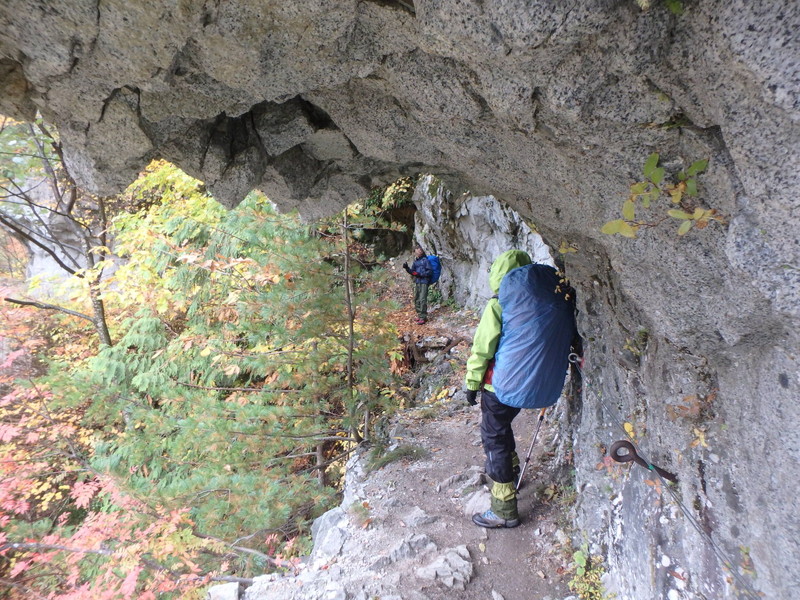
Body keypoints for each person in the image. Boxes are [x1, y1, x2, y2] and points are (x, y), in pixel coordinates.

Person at [464, 249, 577, 528]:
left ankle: (504, 508)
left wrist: (471, 382)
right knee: (503, 428)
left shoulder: (500, 303)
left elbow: (482, 348)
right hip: (539, 382)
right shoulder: (553, 298)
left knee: (494, 437)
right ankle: (512, 470)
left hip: (499, 385)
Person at [403, 246, 432, 324]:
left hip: (424, 282)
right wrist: (407, 268)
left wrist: (420, 274)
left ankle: (423, 317)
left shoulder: (425, 260)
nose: (418, 252)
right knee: (417, 299)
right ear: (415, 251)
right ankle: (420, 315)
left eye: (420, 250)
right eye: (417, 250)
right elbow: (413, 272)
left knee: (422, 299)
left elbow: (429, 272)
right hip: (417, 282)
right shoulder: (416, 262)